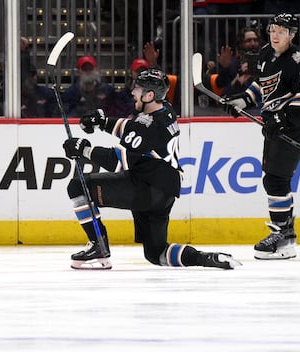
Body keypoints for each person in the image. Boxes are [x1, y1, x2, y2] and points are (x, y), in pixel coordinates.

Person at [62, 68, 242, 270]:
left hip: (147, 189)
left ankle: (98, 246)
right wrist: (102, 122)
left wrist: (84, 149)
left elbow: (118, 160)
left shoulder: (150, 128)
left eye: (137, 89)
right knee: (156, 253)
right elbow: (132, 128)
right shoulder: (164, 110)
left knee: (78, 186)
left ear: (149, 95)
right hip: (164, 190)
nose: (132, 92)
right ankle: (205, 258)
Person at [223, 13, 300, 260]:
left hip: (296, 125)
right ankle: (284, 234)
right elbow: (263, 84)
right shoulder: (267, 53)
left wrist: (284, 120)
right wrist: (244, 99)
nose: (275, 35)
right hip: (275, 122)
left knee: (276, 179)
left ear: (292, 35)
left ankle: (284, 237)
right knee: (273, 179)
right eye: (273, 29)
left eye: (282, 31)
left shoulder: (299, 62)